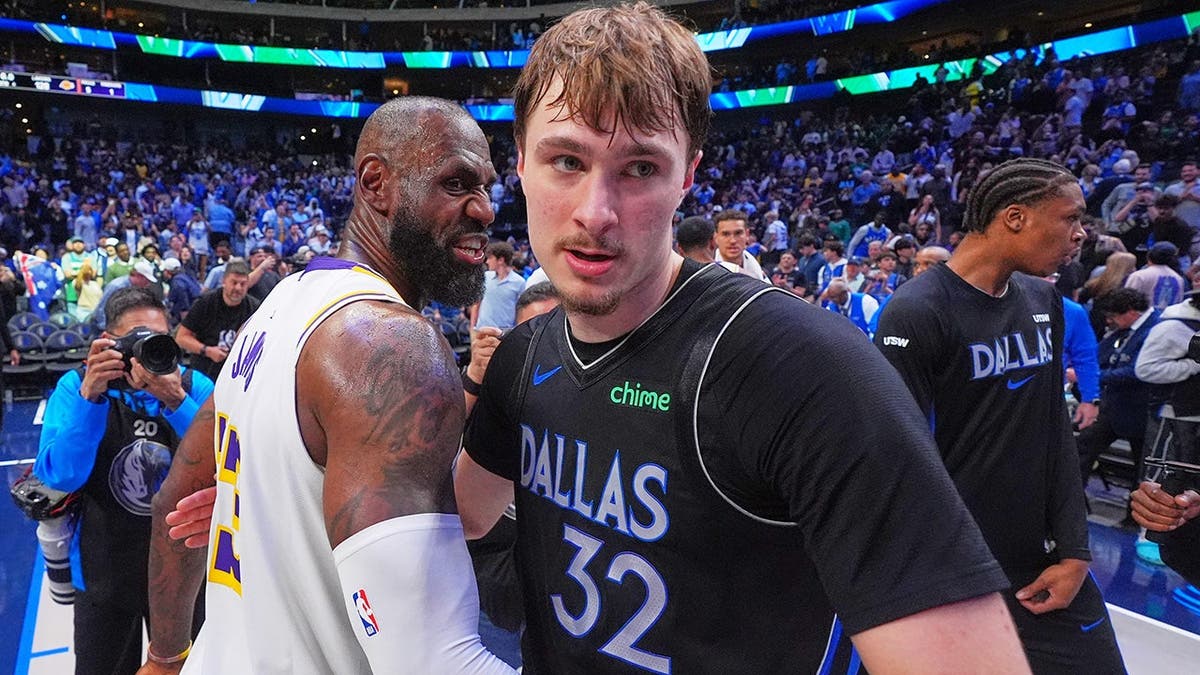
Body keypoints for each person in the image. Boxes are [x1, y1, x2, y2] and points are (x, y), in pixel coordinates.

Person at [454, 4, 1027, 673]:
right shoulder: (525, 356)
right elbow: (463, 515)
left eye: (640, 167)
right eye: (565, 160)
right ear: (519, 162)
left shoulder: (804, 368)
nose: (595, 212)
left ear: (688, 176)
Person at [139, 96, 515, 673]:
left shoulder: (282, 304)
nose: (485, 211)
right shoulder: (391, 344)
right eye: (457, 183)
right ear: (376, 184)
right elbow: (432, 663)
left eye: (487, 186)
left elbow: (175, 506)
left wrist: (165, 657)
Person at [874, 157, 1126, 673]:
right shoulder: (917, 311)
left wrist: (1076, 549)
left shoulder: (1042, 298)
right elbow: (900, 462)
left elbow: (1055, 427)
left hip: (1044, 561)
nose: (1080, 235)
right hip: (958, 574)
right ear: (1015, 217)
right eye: (1070, 219)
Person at [33, 287, 213, 675]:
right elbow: (60, 476)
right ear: (108, 343)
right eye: (136, 340)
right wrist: (90, 398)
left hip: (187, 572)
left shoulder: (194, 387)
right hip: (105, 570)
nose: (147, 352)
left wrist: (177, 403)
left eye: (157, 339)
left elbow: (227, 467)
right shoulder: (76, 387)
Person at [1075, 288, 1160, 489]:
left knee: (1144, 466)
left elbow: (1138, 372)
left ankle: (1134, 517)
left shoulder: (1156, 328)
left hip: (1143, 409)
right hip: (1113, 405)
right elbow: (1098, 353)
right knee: (1081, 449)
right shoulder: (1125, 329)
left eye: (1113, 316)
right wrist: (1084, 369)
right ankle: (1070, 504)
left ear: (1131, 312)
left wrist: (1097, 375)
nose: (1109, 321)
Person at [174, 259, 260, 383]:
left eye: (243, 284)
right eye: (234, 282)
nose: (238, 288)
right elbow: (181, 338)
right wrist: (207, 351)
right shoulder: (205, 303)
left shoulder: (254, 307)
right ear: (224, 281)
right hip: (205, 372)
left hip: (237, 375)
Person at [471, 242, 527, 331]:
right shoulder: (485, 277)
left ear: (500, 260)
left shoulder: (519, 282)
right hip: (482, 331)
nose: (487, 261)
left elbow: (521, 311)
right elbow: (476, 304)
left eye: (490, 258)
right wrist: (472, 328)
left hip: (506, 333)